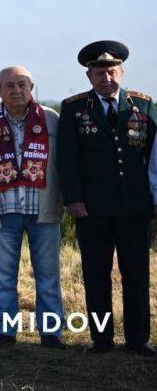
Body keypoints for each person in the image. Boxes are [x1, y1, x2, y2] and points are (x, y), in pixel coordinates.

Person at [57, 40, 155, 356]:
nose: (106, 78)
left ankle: (138, 339)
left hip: (135, 206)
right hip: (93, 208)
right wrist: (73, 198)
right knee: (96, 274)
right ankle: (101, 339)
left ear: (122, 72)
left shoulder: (143, 105)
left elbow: (154, 157)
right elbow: (67, 159)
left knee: (137, 274)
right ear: (89, 76)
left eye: (112, 71)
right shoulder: (73, 108)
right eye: (99, 72)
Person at [0, 66, 65, 348]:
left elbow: (62, 163)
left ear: (31, 87)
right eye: (9, 85)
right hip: (3, 211)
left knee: (48, 274)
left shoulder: (51, 120)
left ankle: (51, 333)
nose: (16, 90)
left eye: (22, 84)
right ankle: (5, 332)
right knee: (2, 276)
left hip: (43, 211)